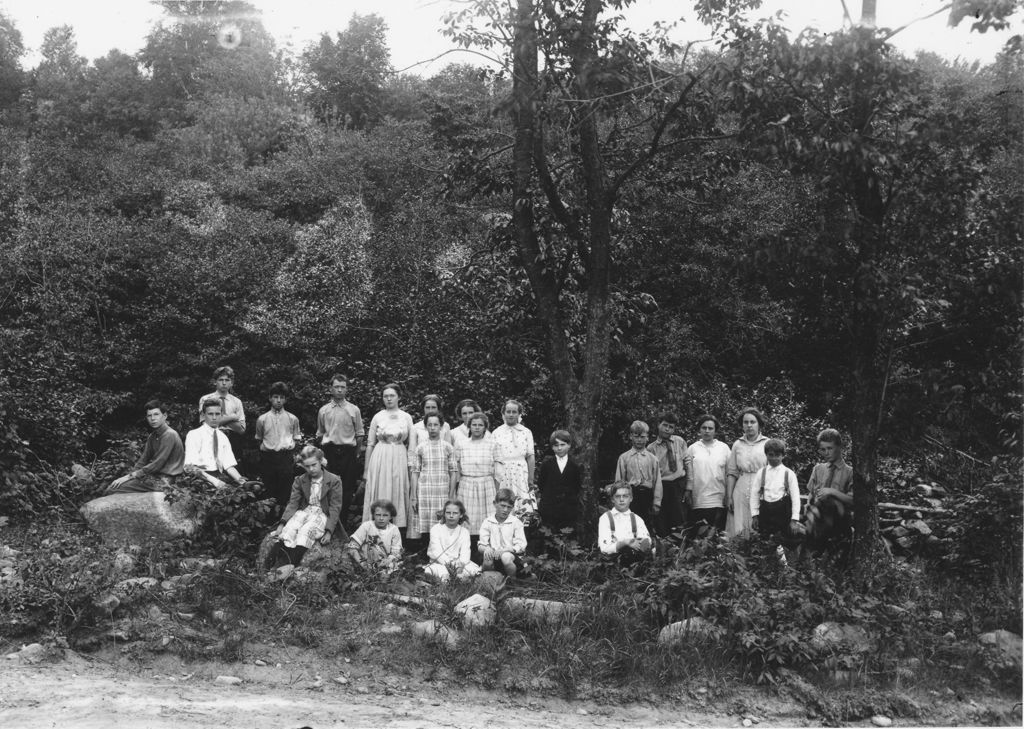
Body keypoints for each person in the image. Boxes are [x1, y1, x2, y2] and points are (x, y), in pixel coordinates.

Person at [268, 445, 346, 567]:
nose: (311, 469)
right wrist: (282, 523)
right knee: (289, 529)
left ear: (321, 462)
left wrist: (329, 531)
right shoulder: (300, 480)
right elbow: (293, 503)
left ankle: (290, 566)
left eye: (314, 465)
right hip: (305, 511)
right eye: (307, 466)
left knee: (306, 531)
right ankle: (268, 566)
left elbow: (335, 507)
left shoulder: (334, 480)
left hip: (322, 513)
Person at [361, 384, 414, 530]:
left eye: (392, 396)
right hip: (380, 456)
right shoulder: (378, 416)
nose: (389, 399)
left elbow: (412, 445)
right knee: (380, 488)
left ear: (399, 397)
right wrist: (366, 470)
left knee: (398, 488)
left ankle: (397, 530)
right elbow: (370, 443)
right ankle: (375, 529)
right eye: (386, 396)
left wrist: (411, 467)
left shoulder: (406, 417)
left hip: (399, 455)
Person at [105, 400, 184, 494]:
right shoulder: (153, 436)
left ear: (165, 416)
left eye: (156, 414)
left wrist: (130, 476)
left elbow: (157, 464)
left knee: (113, 489)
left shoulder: (169, 434)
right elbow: (143, 459)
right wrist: (129, 476)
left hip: (166, 481)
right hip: (155, 477)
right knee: (114, 486)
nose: (153, 418)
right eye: (149, 415)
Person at [316, 374, 365, 518]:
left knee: (347, 487)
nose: (339, 390)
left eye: (342, 387)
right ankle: (327, 518)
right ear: (330, 389)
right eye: (336, 387)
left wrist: (355, 453)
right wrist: (324, 451)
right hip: (329, 452)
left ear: (346, 389)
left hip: (348, 452)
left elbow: (360, 434)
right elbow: (320, 433)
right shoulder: (323, 410)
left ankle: (342, 519)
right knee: (327, 485)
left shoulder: (353, 410)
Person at [410, 413, 458, 542]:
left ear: (441, 427)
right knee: (426, 522)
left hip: (442, 490)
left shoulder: (448, 447)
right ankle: (426, 554)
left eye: (435, 425)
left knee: (442, 520)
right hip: (425, 491)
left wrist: (451, 494)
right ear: (425, 427)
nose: (432, 428)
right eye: (429, 425)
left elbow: (453, 472)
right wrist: (414, 497)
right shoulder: (420, 447)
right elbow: (415, 472)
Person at [254, 381, 301, 508]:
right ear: (270, 398)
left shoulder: (293, 419)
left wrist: (290, 454)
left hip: (285, 457)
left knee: (285, 489)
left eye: (281, 397)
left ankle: (282, 517)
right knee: (269, 488)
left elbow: (296, 439)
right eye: (275, 397)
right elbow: (259, 439)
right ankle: (269, 518)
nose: (278, 400)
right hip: (268, 458)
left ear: (285, 399)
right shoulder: (262, 419)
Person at [725, 407, 769, 538]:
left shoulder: (767, 443)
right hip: (741, 489)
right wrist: (729, 496)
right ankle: (737, 556)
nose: (749, 425)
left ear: (759, 424)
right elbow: (732, 472)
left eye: (752, 422)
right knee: (739, 524)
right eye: (745, 422)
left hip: (761, 488)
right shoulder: (737, 444)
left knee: (759, 524)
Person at [685, 414, 731, 538]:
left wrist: (728, 495)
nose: (707, 431)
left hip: (718, 498)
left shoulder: (724, 448)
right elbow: (688, 474)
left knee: (716, 535)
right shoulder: (692, 448)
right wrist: (688, 493)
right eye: (704, 427)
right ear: (699, 430)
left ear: (715, 430)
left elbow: (729, 473)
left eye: (710, 428)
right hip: (698, 499)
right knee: (700, 535)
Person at [184, 399, 247, 488]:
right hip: (199, 479)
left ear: (221, 415)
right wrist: (215, 482)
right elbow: (189, 467)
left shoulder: (223, 437)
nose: (214, 417)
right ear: (203, 415)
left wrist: (243, 482)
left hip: (219, 477)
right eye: (210, 414)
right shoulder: (194, 435)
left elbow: (229, 466)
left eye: (217, 414)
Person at [646, 412, 690, 540]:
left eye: (671, 427)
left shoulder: (680, 442)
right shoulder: (651, 448)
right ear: (658, 425)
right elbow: (652, 474)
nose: (667, 429)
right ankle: (665, 550)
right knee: (662, 520)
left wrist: (689, 487)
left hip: (679, 485)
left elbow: (688, 464)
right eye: (664, 425)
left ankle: (681, 550)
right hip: (662, 486)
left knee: (680, 518)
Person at [613, 420, 662, 533]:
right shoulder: (624, 458)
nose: (639, 440)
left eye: (642, 437)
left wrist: (657, 502)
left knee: (647, 525)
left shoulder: (652, 459)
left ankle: (648, 548)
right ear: (631, 436)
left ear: (647, 437)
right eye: (636, 436)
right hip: (631, 496)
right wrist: (620, 500)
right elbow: (619, 481)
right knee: (630, 525)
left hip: (647, 496)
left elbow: (657, 482)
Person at [454, 411, 497, 537]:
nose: (477, 428)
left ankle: (486, 550)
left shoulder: (492, 444)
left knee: (487, 518)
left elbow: (498, 471)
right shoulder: (461, 444)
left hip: (486, 485)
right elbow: (456, 468)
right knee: (467, 518)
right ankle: (468, 549)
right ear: (469, 426)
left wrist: (497, 490)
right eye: (474, 425)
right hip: (466, 484)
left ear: (485, 427)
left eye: (480, 425)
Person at [750, 438, 801, 540]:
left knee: (784, 541)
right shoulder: (761, 472)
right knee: (764, 541)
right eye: (771, 455)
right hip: (765, 512)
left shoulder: (789, 473)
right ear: (766, 455)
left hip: (783, 513)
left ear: (783, 455)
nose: (774, 458)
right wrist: (755, 515)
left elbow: (795, 498)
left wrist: (794, 519)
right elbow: (754, 494)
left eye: (777, 455)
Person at [198, 366, 247, 470]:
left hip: (233, 440)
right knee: (212, 468)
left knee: (233, 469)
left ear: (231, 383)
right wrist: (232, 417)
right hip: (211, 438)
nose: (224, 383)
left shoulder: (236, 402)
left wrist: (220, 421)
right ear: (215, 382)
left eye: (227, 380)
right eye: (221, 380)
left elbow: (242, 429)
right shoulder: (206, 399)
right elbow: (206, 424)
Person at [423, 500, 481, 582]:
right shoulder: (436, 529)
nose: (451, 516)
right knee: (434, 571)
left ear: (461, 515)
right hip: (440, 563)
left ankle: (458, 580)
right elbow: (437, 552)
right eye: (448, 513)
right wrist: (450, 565)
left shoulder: (464, 532)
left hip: (459, 565)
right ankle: (452, 581)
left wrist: (461, 565)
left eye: (455, 513)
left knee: (474, 570)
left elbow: (465, 553)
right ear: (444, 514)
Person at [535, 429, 581, 531]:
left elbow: (576, 487)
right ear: (552, 447)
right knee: (548, 537)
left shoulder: (574, 466)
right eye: (556, 445)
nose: (559, 448)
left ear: (569, 445)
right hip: (549, 509)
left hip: (568, 510)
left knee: (567, 537)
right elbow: (541, 484)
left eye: (562, 444)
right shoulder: (547, 465)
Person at [342, 499, 403, 575]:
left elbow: (396, 551)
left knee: (395, 569)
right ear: (373, 515)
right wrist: (363, 564)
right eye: (378, 515)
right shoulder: (367, 526)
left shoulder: (394, 529)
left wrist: (388, 560)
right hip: (364, 562)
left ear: (390, 516)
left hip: (384, 563)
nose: (381, 518)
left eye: (385, 515)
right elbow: (352, 547)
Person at [598, 483, 652, 567]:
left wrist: (642, 543)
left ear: (631, 498)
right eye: (618, 496)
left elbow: (646, 542)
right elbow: (605, 549)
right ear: (612, 499)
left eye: (625, 496)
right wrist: (625, 543)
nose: (621, 499)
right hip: (612, 565)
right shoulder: (605, 519)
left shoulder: (637, 519)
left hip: (636, 564)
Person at [478, 488, 528, 577]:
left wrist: (505, 550)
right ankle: (491, 581)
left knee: (505, 557)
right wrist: (486, 549)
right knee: (487, 558)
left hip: (512, 557)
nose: (505, 510)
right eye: (502, 505)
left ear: (512, 507)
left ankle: (512, 582)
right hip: (495, 556)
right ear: (495, 504)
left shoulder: (515, 522)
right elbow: (481, 545)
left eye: (509, 507)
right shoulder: (488, 521)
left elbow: (521, 545)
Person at [491, 400, 536, 501]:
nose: (511, 415)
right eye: (508, 412)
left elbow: (530, 456)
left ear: (519, 414)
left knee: (523, 500)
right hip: (502, 472)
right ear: (503, 413)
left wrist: (530, 479)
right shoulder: (496, 432)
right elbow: (493, 459)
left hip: (521, 472)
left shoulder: (526, 432)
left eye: (514, 412)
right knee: (504, 501)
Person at [806, 428, 854, 507]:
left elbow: (853, 501)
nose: (826, 453)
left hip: (839, 517)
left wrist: (832, 492)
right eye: (823, 449)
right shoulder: (818, 469)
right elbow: (811, 493)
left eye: (830, 448)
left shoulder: (850, 472)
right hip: (817, 516)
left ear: (839, 447)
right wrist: (808, 504)